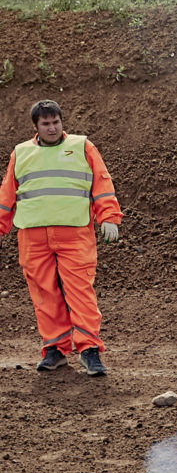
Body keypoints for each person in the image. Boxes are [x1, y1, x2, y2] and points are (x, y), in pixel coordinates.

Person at [0, 99, 122, 376]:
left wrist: (109, 216)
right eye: (46, 124)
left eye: (56, 122)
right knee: (44, 294)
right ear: (36, 126)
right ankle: (54, 349)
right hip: (33, 236)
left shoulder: (82, 147)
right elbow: (6, 195)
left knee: (80, 291)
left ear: (62, 122)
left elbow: (102, 183)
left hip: (74, 233)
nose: (52, 128)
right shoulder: (21, 153)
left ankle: (89, 350)